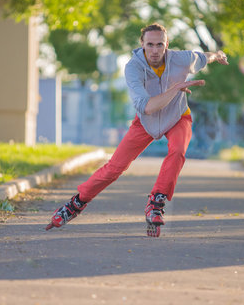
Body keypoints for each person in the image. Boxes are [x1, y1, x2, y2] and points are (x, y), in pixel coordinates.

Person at [46, 23, 228, 236]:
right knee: (115, 167)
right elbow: (147, 107)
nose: (155, 50)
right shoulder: (133, 67)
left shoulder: (182, 59)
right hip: (145, 121)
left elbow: (204, 56)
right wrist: (176, 89)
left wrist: (218, 54)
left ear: (166, 44)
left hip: (178, 117)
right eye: (150, 45)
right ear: (142, 44)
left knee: (178, 151)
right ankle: (75, 204)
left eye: (160, 45)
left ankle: (156, 203)